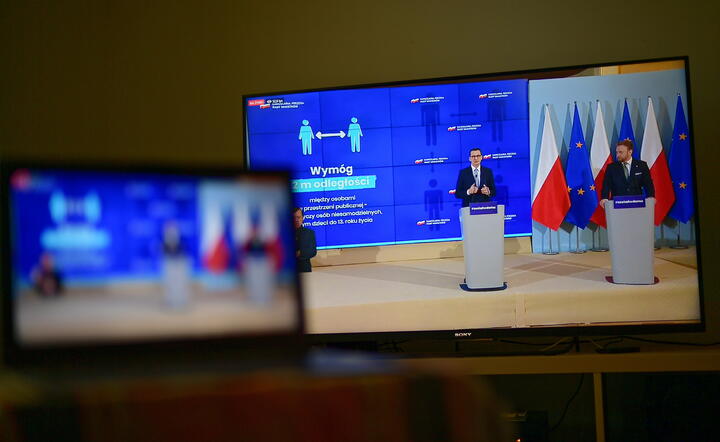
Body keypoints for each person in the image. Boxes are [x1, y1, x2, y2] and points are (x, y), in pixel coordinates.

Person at [600, 139, 655, 207]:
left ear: (630, 152)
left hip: (637, 203)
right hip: (618, 204)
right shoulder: (611, 167)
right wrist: (604, 198)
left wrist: (651, 196)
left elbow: (648, 183)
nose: (617, 155)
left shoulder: (642, 165)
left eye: (621, 152)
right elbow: (606, 185)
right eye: (617, 152)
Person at [294, 207, 317, 272]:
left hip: (305, 270)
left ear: (302, 218)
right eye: (294, 217)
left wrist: (299, 253)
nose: (297, 220)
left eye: (299, 217)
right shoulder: (284, 234)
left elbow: (313, 252)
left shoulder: (309, 233)